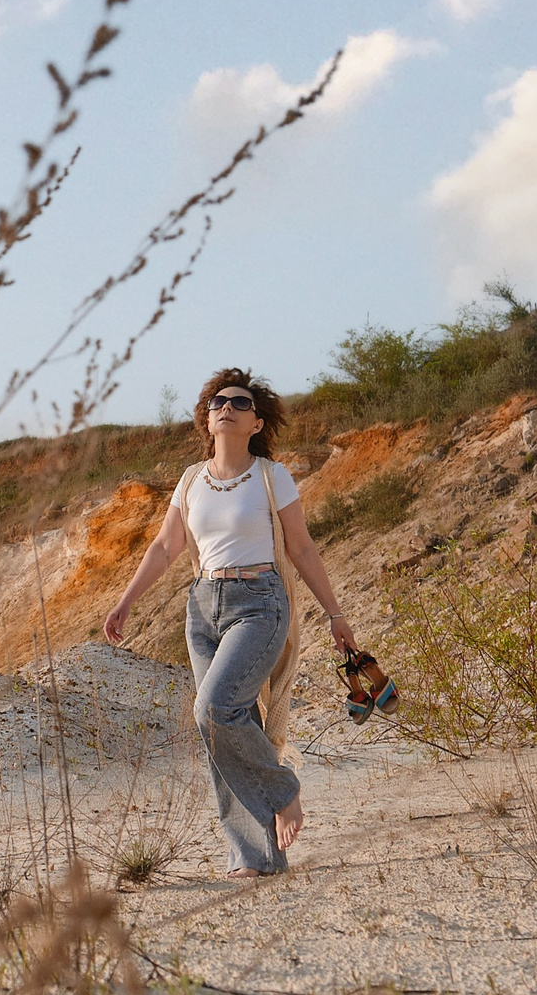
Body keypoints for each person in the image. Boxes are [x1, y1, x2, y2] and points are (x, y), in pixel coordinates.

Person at [101, 369, 355, 877]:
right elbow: (166, 546)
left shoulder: (270, 475)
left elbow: (302, 547)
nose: (226, 407)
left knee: (213, 708)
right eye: (218, 401)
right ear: (208, 416)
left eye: (239, 402)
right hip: (202, 605)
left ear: (256, 422)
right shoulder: (191, 479)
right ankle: (256, 857)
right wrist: (126, 601)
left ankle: (284, 792)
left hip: (260, 601)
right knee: (225, 727)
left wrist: (335, 613)